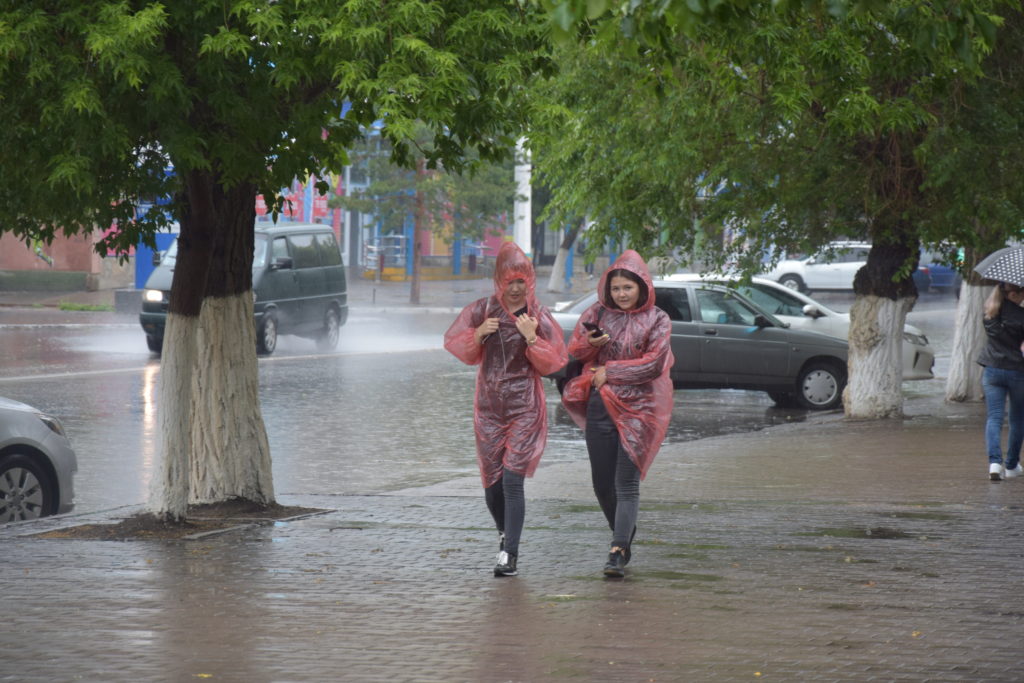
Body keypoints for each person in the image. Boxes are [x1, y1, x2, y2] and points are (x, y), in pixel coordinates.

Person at [444, 242, 567, 576]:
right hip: (488, 408)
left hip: (524, 408)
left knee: (513, 480)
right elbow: (456, 344)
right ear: (499, 280)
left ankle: (509, 553)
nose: (515, 289)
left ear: (529, 282)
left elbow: (555, 361)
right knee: (492, 485)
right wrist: (478, 334)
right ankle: (504, 533)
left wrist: (532, 338)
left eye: (521, 282)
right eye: (509, 282)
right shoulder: (482, 310)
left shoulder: (538, 316)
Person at [561, 250, 674, 577]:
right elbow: (576, 350)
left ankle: (617, 549)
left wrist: (610, 371)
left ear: (641, 286)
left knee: (626, 482)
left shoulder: (658, 319)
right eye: (616, 288)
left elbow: (654, 364)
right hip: (601, 405)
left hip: (641, 409)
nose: (621, 294)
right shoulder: (597, 313)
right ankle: (623, 534)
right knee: (602, 483)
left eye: (628, 287)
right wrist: (591, 343)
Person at [978, 282, 1024, 481]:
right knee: (1017, 419)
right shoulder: (1021, 315)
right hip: (1017, 371)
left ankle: (994, 464)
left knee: (994, 418)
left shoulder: (989, 312)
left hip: (992, 370)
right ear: (1013, 294)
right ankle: (1012, 465)